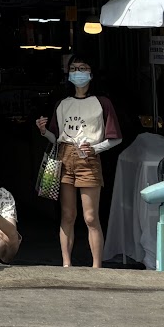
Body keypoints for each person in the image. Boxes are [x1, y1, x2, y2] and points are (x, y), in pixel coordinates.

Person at [38, 57, 121, 268]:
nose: (78, 72)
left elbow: (115, 137)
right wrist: (43, 131)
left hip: (89, 157)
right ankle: (66, 263)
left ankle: (96, 266)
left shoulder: (102, 102)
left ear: (92, 74)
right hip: (64, 157)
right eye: (74, 69)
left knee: (91, 217)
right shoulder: (62, 103)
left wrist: (95, 149)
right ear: (68, 74)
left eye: (83, 68)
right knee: (67, 214)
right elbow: (56, 137)